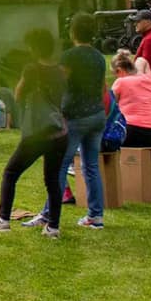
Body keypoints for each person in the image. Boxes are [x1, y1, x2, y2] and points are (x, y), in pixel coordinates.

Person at [0, 29, 67, 237]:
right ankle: (53, 226)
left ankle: (3, 219)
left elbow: (18, 94)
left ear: (34, 48)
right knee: (52, 180)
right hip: (60, 131)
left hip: (38, 133)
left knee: (11, 172)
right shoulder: (60, 71)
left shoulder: (31, 69)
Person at [46, 13, 110, 231]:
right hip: (97, 114)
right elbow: (104, 88)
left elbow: (58, 83)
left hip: (75, 116)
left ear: (72, 32)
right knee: (91, 166)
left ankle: (48, 214)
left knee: (61, 165)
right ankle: (96, 216)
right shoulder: (99, 57)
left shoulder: (69, 56)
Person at [110, 50, 151, 148]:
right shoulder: (149, 79)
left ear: (119, 70)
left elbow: (109, 107)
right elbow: (142, 60)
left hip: (131, 130)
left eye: (115, 73)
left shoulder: (120, 82)